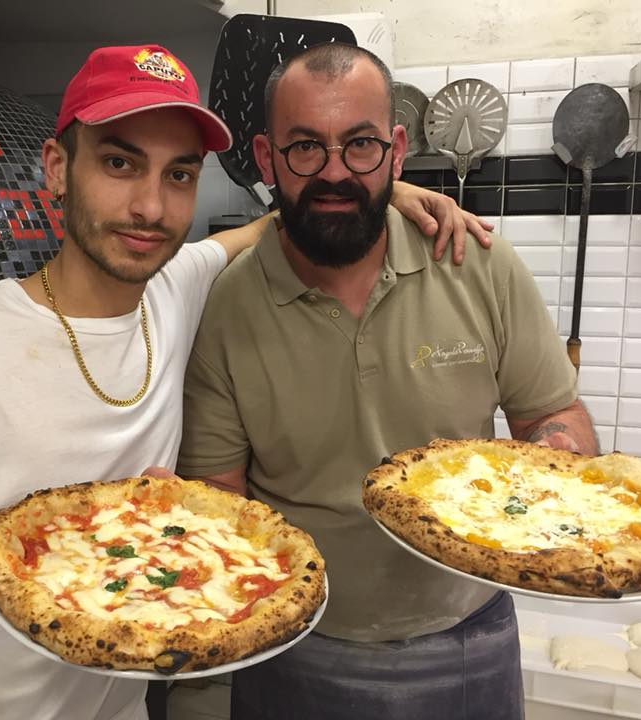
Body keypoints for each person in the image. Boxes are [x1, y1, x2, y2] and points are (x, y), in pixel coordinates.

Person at [0, 44, 490, 720]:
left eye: (178, 174)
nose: (151, 207)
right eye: (119, 163)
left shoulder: (174, 290)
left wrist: (387, 190)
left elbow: (265, 227)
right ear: (58, 169)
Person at [176, 42, 598, 720]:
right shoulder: (225, 307)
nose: (336, 173)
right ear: (265, 158)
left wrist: (560, 465)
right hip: (296, 642)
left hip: (469, 633)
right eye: (307, 148)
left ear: (398, 150)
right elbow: (220, 504)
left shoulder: (478, 265)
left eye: (362, 145)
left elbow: (556, 415)